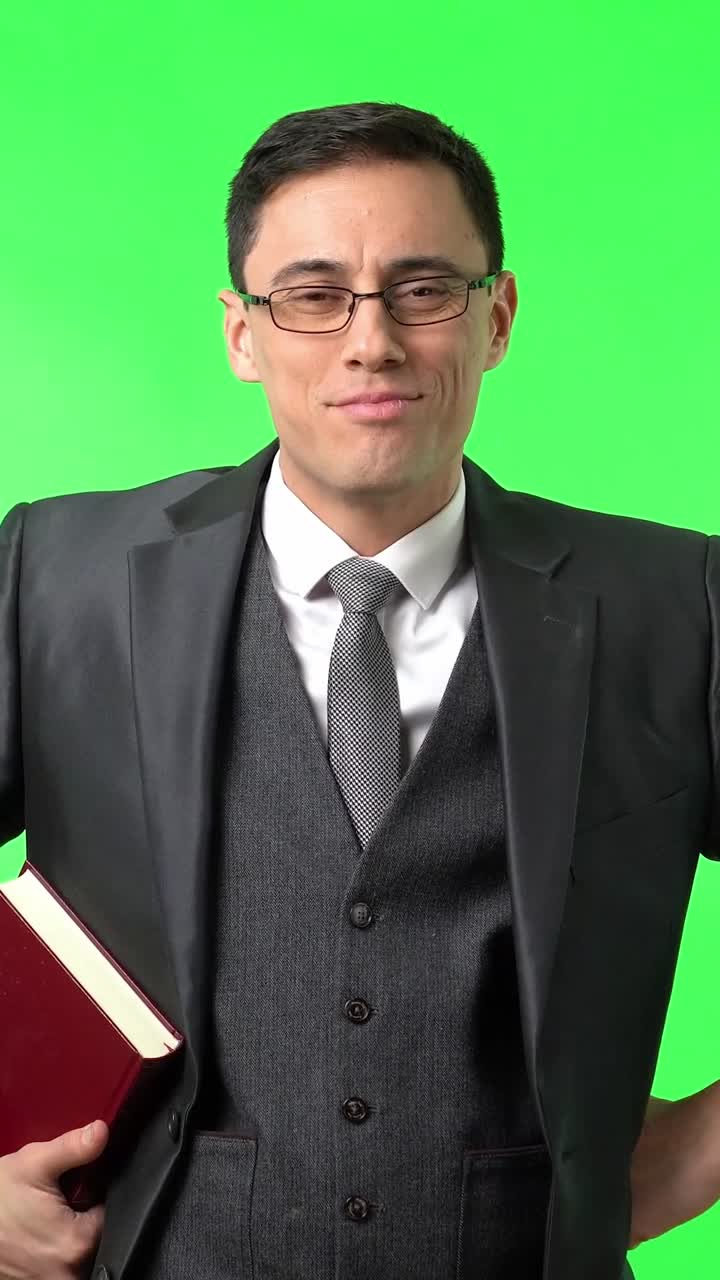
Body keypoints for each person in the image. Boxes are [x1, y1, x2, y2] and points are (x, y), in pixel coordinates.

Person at [1, 99, 719, 1280]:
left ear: (497, 316)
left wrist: (698, 1148)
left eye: (423, 289)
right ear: (242, 332)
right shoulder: (56, 577)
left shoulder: (671, 602)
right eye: (313, 294)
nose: (370, 340)